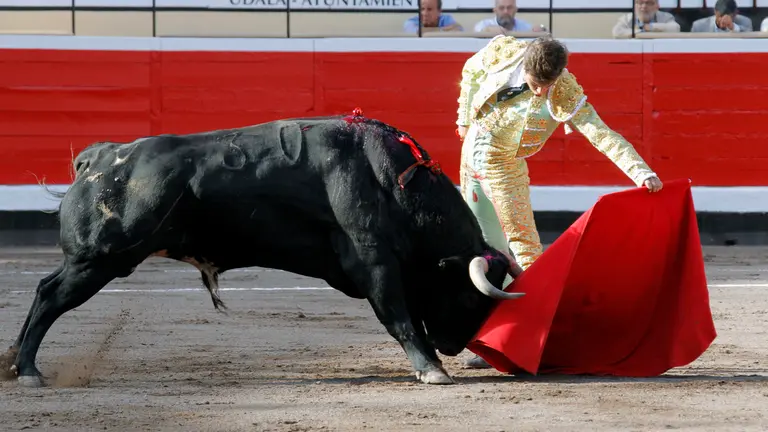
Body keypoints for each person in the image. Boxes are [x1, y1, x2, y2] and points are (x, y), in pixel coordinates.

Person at [455, 35, 664, 369]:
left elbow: (601, 134)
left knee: (524, 252)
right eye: (536, 84)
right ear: (524, 65)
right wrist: (464, 118)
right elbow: (470, 71)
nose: (540, 92)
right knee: (483, 249)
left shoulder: (564, 91)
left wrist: (640, 172)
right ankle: (494, 341)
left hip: (505, 167)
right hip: (469, 159)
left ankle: (533, 341)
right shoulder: (504, 51)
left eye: (546, 85)